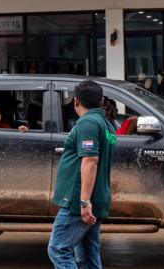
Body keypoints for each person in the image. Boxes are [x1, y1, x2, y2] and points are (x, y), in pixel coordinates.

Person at [48, 80, 116, 269]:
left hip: (79, 202)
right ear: (101, 100)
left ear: (75, 101)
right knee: (87, 255)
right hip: (97, 198)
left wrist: (84, 202)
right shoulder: (107, 125)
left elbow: (90, 161)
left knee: (58, 249)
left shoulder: (88, 123)